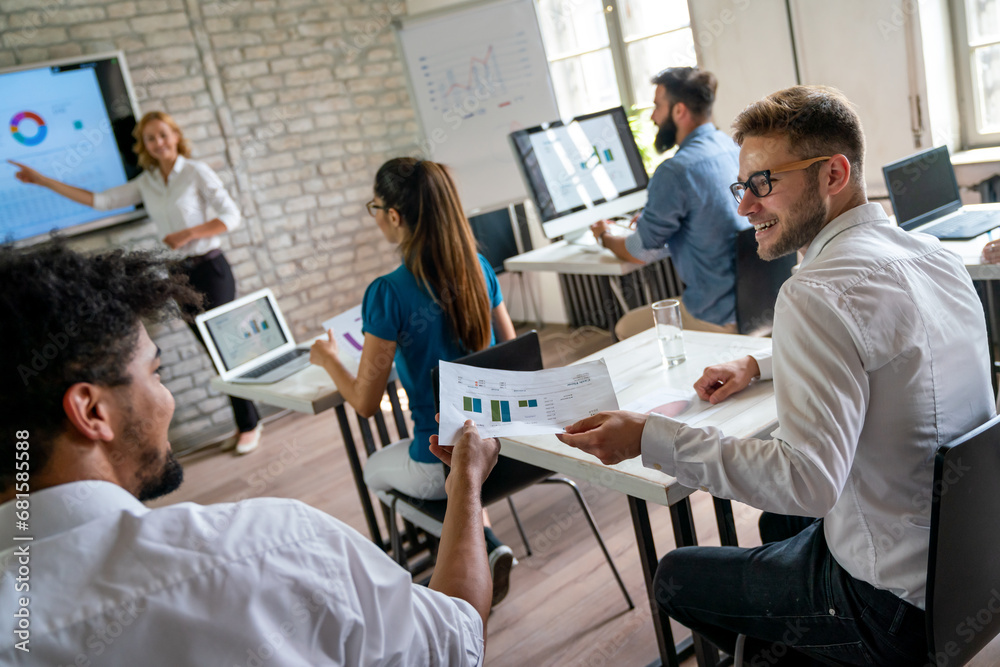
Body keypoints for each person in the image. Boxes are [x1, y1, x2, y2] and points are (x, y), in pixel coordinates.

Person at [557, 86, 995, 664]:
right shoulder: (934, 255)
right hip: (968, 569)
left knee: (675, 577)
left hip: (890, 605)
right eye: (743, 186)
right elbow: (884, 349)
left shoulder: (815, 293)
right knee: (775, 523)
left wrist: (648, 436)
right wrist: (758, 361)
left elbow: (808, 482)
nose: (745, 206)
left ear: (833, 174)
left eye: (763, 183)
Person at [0, 242, 497, 665]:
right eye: (156, 373)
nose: (166, 397)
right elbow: (456, 638)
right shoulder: (275, 547)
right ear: (91, 411)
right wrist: (467, 485)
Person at [309, 157, 519, 605]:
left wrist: (329, 359)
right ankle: (484, 540)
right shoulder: (479, 268)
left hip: (441, 457)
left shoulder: (387, 292)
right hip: (502, 448)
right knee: (453, 450)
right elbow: (511, 352)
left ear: (394, 216)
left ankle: (460, 561)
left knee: (373, 470)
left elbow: (366, 403)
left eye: (375, 207)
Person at [8, 111, 262, 455]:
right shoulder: (147, 182)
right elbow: (100, 200)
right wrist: (43, 181)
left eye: (162, 135)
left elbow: (232, 216)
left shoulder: (195, 172)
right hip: (178, 274)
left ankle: (250, 423)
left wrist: (190, 233)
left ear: (175, 135)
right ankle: (246, 421)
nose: (158, 143)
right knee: (214, 351)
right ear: (143, 146)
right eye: (150, 138)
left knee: (226, 349)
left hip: (211, 270)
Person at [590, 67, 749, 333]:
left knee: (625, 327)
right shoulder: (734, 147)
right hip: (759, 305)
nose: (652, 117)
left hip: (716, 316)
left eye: (656, 106)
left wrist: (603, 235)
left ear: (679, 111)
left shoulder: (675, 171)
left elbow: (639, 251)